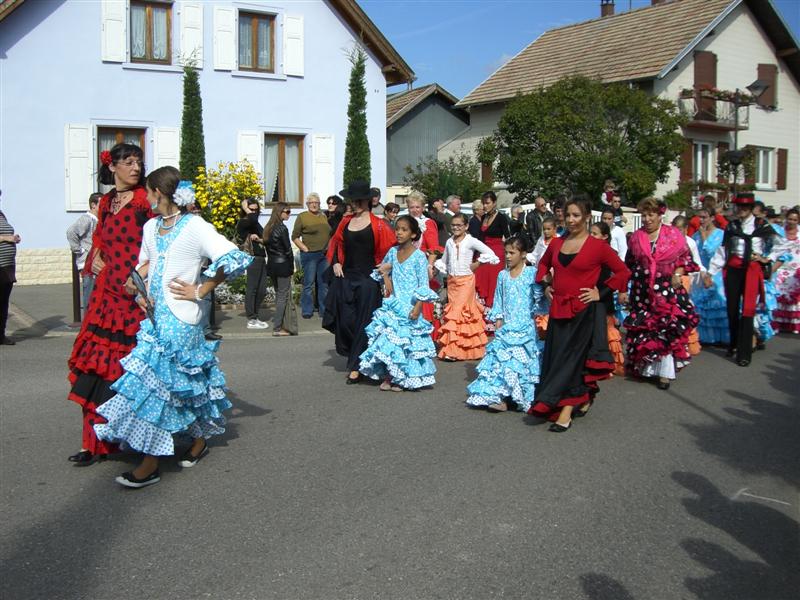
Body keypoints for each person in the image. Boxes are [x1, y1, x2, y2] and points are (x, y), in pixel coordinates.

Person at [93, 167, 252, 488]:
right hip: (153, 317)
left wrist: (202, 289)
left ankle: (150, 463)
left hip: (182, 319)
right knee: (182, 384)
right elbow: (147, 260)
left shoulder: (195, 226)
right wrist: (136, 283)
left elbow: (233, 257)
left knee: (158, 388)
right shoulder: (151, 226)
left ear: (159, 193)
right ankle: (198, 440)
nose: (146, 198)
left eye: (149, 192)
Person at [66, 144, 153, 465]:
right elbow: (99, 239)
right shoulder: (105, 202)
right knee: (95, 368)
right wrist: (96, 257)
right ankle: (93, 443)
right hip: (105, 296)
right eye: (128, 162)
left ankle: (143, 442)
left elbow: (158, 243)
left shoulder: (146, 200)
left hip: (132, 297)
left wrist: (141, 274)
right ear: (112, 166)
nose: (135, 167)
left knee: (131, 371)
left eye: (138, 162)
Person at [529, 196, 630, 431]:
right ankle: (579, 397)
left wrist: (601, 292)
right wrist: (546, 286)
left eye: (577, 215)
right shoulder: (555, 243)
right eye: (569, 215)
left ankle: (566, 411)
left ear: (586, 217)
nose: (571, 220)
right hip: (559, 309)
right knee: (558, 358)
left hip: (585, 311)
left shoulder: (598, 247)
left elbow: (622, 272)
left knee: (574, 360)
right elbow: (543, 265)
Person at [323, 180, 396, 384]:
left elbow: (392, 253)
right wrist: (336, 262)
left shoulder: (380, 224)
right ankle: (356, 358)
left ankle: (356, 367)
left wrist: (386, 274)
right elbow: (336, 243)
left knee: (364, 323)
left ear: (365, 201)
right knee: (346, 321)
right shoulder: (345, 222)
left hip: (368, 280)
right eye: (351, 200)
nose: (352, 203)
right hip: (346, 278)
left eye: (355, 200)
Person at [624, 199, 699, 390]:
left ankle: (665, 373)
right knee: (645, 328)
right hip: (642, 291)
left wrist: (677, 274)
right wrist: (623, 289)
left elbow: (685, 259)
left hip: (666, 290)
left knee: (664, 328)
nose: (647, 219)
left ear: (660, 215)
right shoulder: (636, 237)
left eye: (651, 215)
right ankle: (647, 368)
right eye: (644, 215)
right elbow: (629, 264)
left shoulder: (673, 235)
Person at [359, 216, 438, 391]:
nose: (399, 233)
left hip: (411, 305)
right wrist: (386, 274)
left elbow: (423, 285)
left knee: (407, 344)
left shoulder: (419, 257)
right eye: (397, 229)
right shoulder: (393, 252)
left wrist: (418, 306)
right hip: (394, 303)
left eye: (404, 229)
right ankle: (390, 375)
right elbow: (388, 283)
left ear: (413, 234)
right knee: (391, 342)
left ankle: (404, 377)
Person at [466, 236, 544, 413]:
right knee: (502, 364)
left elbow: (539, 300)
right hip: (507, 328)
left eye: (512, 252)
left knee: (521, 365)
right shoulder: (502, 275)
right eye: (506, 252)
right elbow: (499, 300)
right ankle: (501, 397)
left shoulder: (531, 274)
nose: (508, 256)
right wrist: (498, 322)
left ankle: (521, 397)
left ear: (523, 254)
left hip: (525, 328)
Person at [706, 193, 776, 366]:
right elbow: (723, 250)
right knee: (731, 309)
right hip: (733, 270)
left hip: (752, 269)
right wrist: (710, 272)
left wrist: (767, 258)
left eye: (745, 207)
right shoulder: (732, 226)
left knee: (748, 310)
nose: (741, 210)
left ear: (751, 208)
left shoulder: (761, 225)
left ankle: (744, 353)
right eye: (739, 207)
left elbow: (780, 244)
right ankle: (734, 343)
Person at [434, 212, 499, 361]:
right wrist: (436, 268)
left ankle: (453, 350)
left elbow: (490, 252)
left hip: (466, 281)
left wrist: (477, 264)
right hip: (452, 281)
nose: (456, 228)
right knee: (455, 312)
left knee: (458, 312)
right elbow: (444, 260)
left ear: (466, 226)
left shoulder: (471, 241)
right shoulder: (450, 241)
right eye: (453, 225)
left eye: (459, 225)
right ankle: (463, 347)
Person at [589, 222, 625, 376]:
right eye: (590, 233)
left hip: (603, 295)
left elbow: (622, 274)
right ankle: (595, 361)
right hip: (590, 294)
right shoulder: (588, 250)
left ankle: (613, 363)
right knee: (593, 330)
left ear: (604, 236)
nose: (591, 236)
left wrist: (605, 292)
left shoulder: (609, 252)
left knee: (606, 329)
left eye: (595, 234)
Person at [691, 208, 729, 345]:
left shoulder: (721, 234)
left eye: (704, 217)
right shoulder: (696, 235)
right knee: (701, 306)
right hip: (701, 273)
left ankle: (721, 337)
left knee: (716, 306)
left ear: (712, 218)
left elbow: (714, 254)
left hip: (715, 273)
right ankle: (705, 336)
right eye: (699, 217)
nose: (701, 220)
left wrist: (704, 238)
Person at [292, 192, 331, 320]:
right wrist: (304, 248)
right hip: (310, 255)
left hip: (323, 255)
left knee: (323, 283)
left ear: (319, 204)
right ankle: (307, 310)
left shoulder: (323, 216)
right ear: (307, 204)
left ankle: (323, 310)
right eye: (311, 202)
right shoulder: (302, 217)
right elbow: (295, 236)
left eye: (316, 202)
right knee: (308, 283)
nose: (314, 205)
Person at [66, 193, 101, 319]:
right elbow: (71, 232)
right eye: (101, 204)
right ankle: (88, 322)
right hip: (88, 263)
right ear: (93, 205)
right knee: (90, 294)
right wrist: (79, 250)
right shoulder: (87, 219)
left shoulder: (97, 220)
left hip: (96, 262)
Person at [671, 215, 702, 357]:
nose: (677, 232)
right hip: (670, 280)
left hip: (684, 280)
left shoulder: (690, 243)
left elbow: (697, 263)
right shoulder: (668, 242)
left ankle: (687, 342)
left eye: (680, 229)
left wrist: (704, 273)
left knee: (683, 310)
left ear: (685, 229)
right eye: (674, 229)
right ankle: (673, 340)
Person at [236, 198, 269, 330]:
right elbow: (252, 220)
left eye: (256, 210)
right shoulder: (244, 222)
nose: (254, 212)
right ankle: (252, 318)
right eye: (252, 209)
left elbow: (264, 237)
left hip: (261, 256)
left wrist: (260, 239)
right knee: (253, 288)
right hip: (252, 257)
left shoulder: (255, 223)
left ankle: (255, 315)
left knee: (262, 289)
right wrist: (246, 209)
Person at [474, 191, 509, 311]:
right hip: (483, 251)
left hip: (496, 252)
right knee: (480, 278)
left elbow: (508, 237)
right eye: (483, 203)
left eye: (487, 203)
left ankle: (494, 308)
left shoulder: (501, 218)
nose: (484, 206)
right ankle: (483, 308)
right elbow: (480, 237)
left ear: (494, 203)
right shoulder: (483, 217)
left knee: (493, 281)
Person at [264, 202, 295, 337]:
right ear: (280, 212)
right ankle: (277, 328)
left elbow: (267, 247)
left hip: (272, 265)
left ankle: (279, 324)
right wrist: (291, 266)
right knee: (282, 296)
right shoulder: (282, 228)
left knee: (279, 295)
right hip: (282, 265)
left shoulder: (268, 227)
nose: (289, 214)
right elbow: (288, 250)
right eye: (287, 212)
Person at [769, 208, 800, 334]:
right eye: (790, 219)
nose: (791, 221)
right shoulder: (778, 232)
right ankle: (778, 322)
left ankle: (793, 324)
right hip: (780, 267)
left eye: (794, 219)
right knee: (778, 294)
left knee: (793, 297)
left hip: (796, 269)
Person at [0, 189, 21, 346]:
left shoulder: (1, 214)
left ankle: (1, 334)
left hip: (7, 266)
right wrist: (6, 238)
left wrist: (14, 239)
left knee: (4, 301)